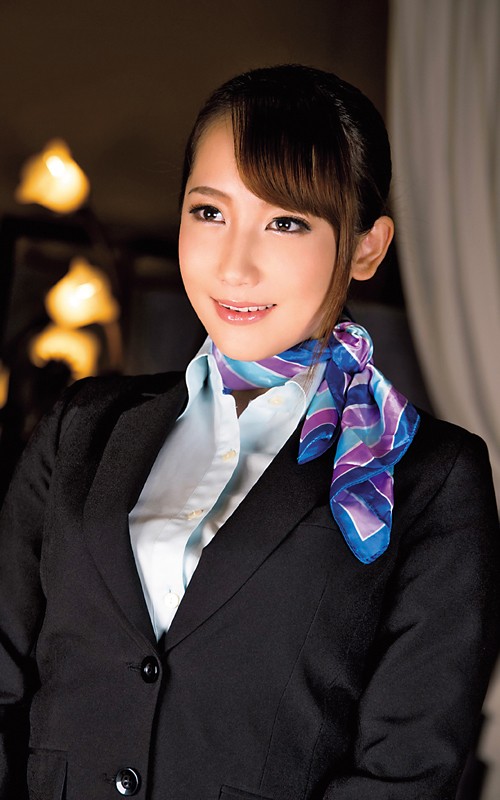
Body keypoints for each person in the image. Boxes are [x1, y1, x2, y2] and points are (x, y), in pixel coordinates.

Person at [0, 64, 499, 800]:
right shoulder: (82, 426)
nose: (235, 266)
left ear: (366, 247)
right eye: (209, 212)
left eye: (286, 222)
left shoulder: (433, 477)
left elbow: (405, 773)